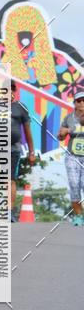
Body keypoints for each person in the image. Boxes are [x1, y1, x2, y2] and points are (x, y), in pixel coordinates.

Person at [10, 80, 35, 222]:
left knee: (10, 180)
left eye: (12, 89)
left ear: (14, 91)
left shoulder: (21, 108)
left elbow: (28, 132)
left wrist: (31, 153)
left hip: (14, 150)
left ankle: (9, 212)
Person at [58, 89, 84, 226]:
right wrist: (62, 134)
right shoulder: (68, 118)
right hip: (72, 157)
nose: (82, 103)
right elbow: (60, 136)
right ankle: (79, 216)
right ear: (74, 103)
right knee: (74, 186)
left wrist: (69, 130)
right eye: (79, 101)